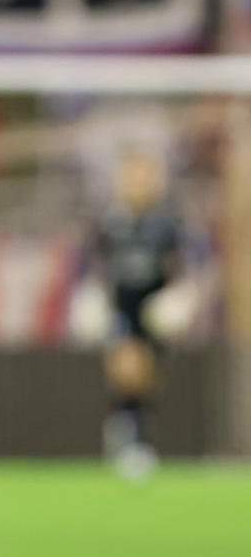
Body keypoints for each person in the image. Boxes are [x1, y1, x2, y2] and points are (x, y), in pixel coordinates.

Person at [92, 151, 183, 480]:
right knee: (126, 370)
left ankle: (137, 438)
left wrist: (178, 298)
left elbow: (180, 267)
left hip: (155, 314)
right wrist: (93, 299)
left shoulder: (166, 225)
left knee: (148, 379)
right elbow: (97, 266)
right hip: (122, 310)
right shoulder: (110, 224)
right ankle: (128, 441)